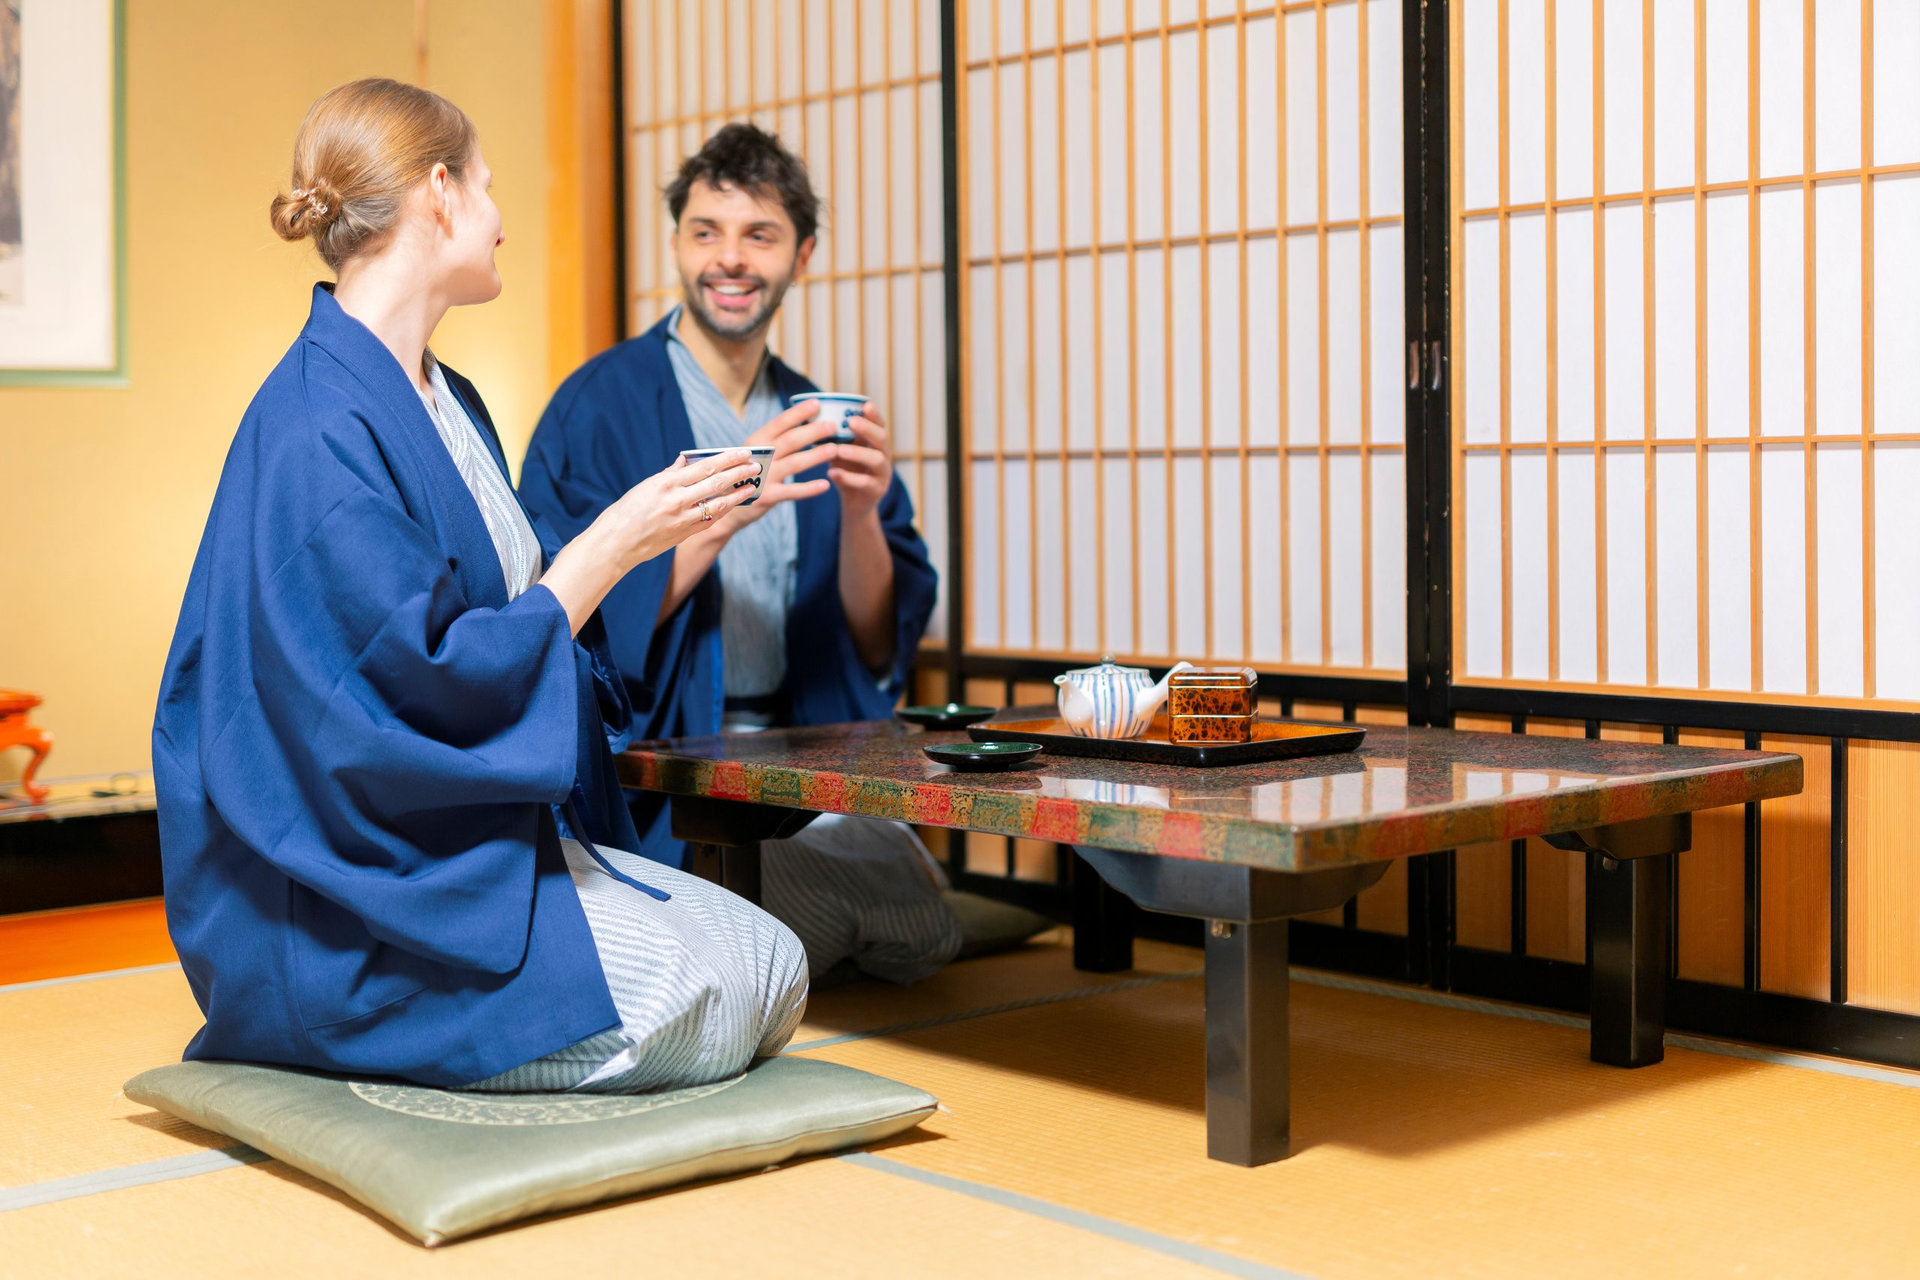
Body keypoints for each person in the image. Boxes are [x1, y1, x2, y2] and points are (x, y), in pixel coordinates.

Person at [152, 79, 806, 1093]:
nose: (503, 221)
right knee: (708, 996)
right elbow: (416, 682)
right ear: (443, 192)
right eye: (491, 188)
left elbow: (501, 632)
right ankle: (338, 1027)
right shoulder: (317, 426)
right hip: (359, 890)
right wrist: (614, 543)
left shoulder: (444, 396)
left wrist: (626, 548)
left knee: (775, 965)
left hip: (465, 846)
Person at [519, 124, 961, 985]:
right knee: (832, 907)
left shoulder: (814, 415)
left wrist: (865, 511)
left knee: (928, 933)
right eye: (706, 232)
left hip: (799, 765)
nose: (731, 259)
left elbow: (876, 641)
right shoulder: (599, 405)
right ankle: (732, 919)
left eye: (760, 235)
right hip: (664, 769)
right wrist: (721, 512)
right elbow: (560, 606)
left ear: (804, 256)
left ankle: (743, 929)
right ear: (678, 244)